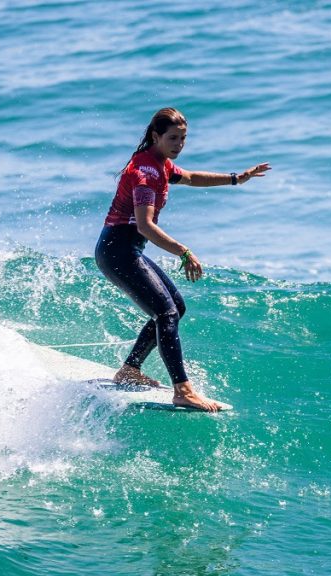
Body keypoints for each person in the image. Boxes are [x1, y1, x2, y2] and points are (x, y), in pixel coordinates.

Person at [95, 107, 270, 412]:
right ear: (155, 136)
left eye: (183, 139)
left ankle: (130, 370)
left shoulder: (160, 164)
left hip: (125, 250)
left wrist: (236, 178)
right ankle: (182, 390)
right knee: (166, 313)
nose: (179, 144)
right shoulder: (145, 172)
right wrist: (184, 252)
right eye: (173, 138)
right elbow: (145, 225)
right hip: (117, 250)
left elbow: (190, 177)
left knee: (175, 308)